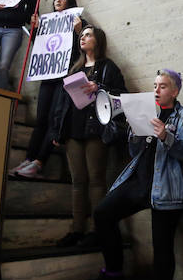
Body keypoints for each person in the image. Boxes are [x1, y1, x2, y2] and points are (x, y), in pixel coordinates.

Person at [91, 69, 183, 280]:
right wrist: (136, 132)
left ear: (175, 91)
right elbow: (135, 150)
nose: (157, 89)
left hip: (168, 190)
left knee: (162, 252)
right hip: (140, 183)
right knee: (102, 213)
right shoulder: (148, 111)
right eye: (155, 85)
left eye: (163, 86)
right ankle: (114, 270)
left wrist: (165, 136)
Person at [50, 25, 126, 248]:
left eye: (88, 34)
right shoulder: (75, 68)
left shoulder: (108, 67)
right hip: (73, 129)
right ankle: (76, 229)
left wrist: (100, 86)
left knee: (96, 180)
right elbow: (61, 103)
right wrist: (57, 129)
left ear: (98, 40)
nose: (83, 38)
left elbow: (122, 96)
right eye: (81, 35)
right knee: (77, 181)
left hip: (95, 129)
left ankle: (97, 230)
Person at [10, 0, 85, 178]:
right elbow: (44, 45)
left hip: (64, 76)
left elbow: (83, 48)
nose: (58, 0)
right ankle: (29, 159)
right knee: (41, 119)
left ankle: (39, 162)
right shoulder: (48, 21)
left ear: (70, 2)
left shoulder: (78, 22)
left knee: (54, 120)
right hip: (48, 75)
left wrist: (79, 31)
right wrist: (35, 29)